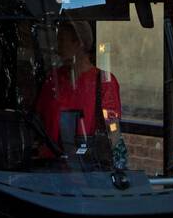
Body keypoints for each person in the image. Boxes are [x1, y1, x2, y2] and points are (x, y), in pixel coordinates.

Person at [34, 21, 121, 159]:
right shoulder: (53, 79)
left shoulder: (104, 81)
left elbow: (113, 131)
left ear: (79, 43)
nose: (57, 47)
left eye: (62, 40)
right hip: (48, 168)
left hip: (85, 170)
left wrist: (101, 152)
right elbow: (38, 122)